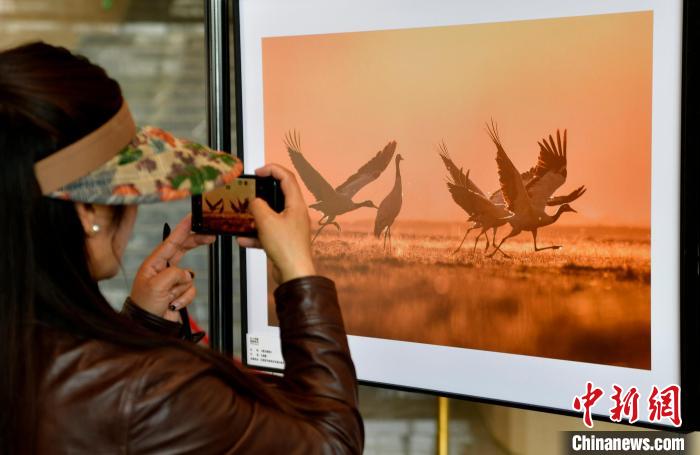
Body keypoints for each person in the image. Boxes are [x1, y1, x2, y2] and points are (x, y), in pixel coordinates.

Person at [0, 42, 363, 454]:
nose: (133, 209)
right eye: (130, 191)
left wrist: (141, 326)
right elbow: (332, 446)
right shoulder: (150, 392)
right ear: (89, 211)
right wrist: (298, 273)